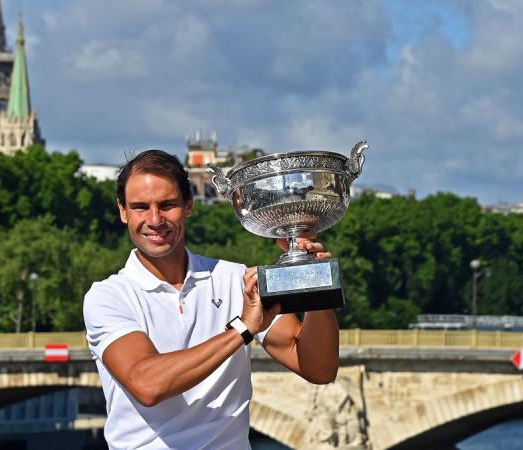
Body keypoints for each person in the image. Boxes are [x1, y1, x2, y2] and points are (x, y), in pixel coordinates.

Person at [83, 149, 339, 449]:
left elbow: (319, 368)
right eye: (141, 207)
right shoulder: (108, 296)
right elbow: (147, 384)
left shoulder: (234, 279)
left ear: (188, 205)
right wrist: (243, 329)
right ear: (123, 211)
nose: (155, 220)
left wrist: (315, 282)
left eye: (167, 205)